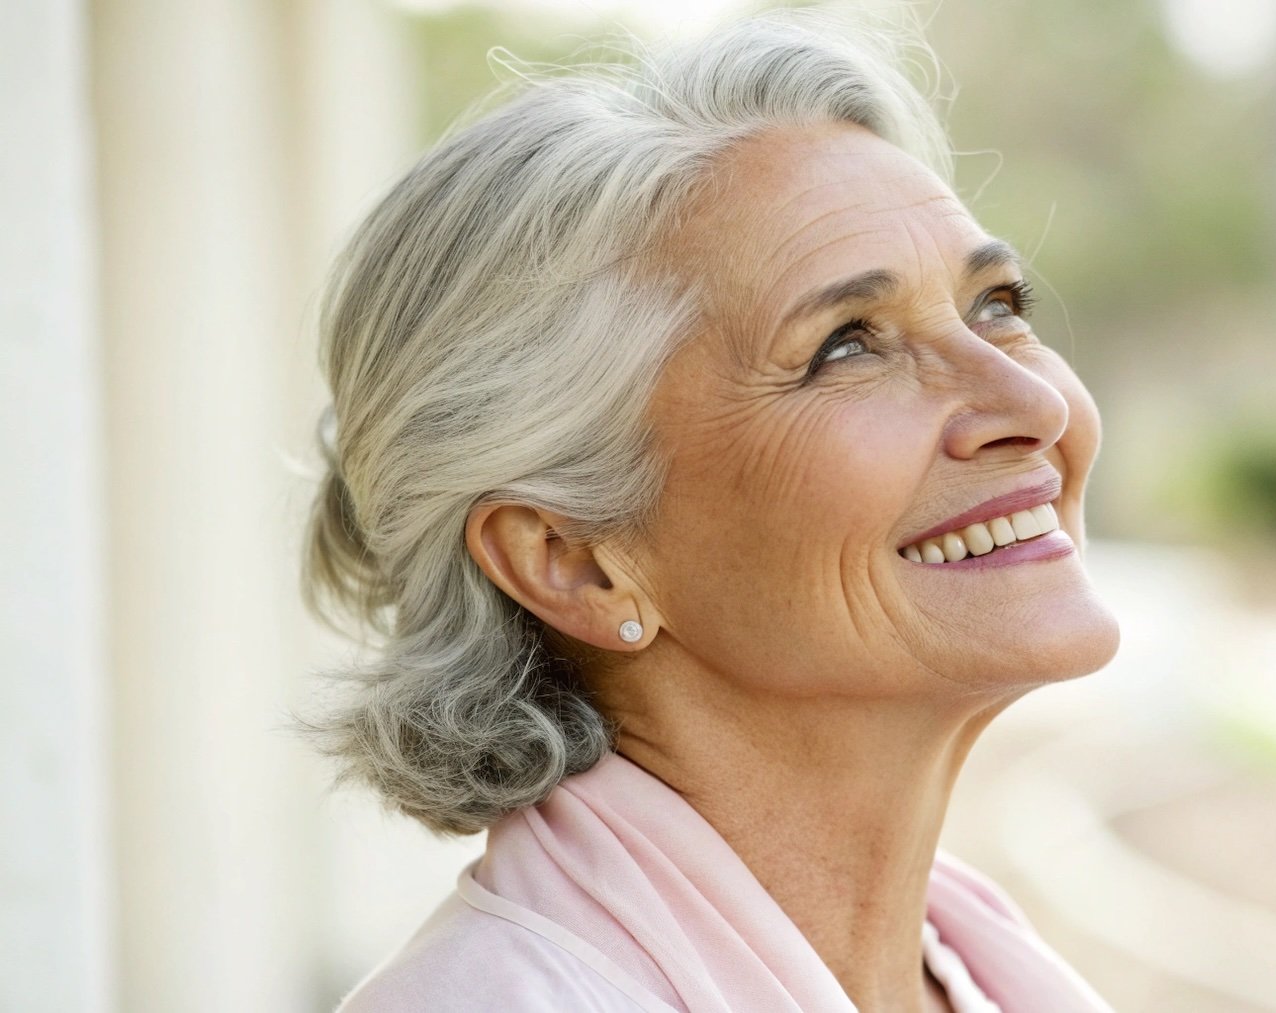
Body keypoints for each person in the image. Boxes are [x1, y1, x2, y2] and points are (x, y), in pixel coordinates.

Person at [302, 7, 1121, 1011]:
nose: (1034, 404)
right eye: (847, 344)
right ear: (574, 558)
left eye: (997, 303)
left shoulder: (970, 964)